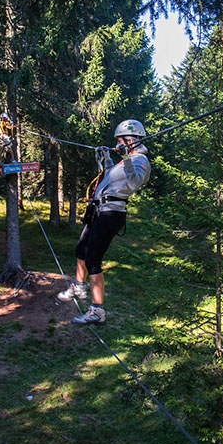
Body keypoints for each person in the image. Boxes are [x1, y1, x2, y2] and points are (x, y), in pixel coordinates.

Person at [57, 119, 151, 324]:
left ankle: (97, 311)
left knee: (93, 258)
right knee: (81, 249)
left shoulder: (141, 160)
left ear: (131, 140)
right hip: (99, 209)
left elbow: (134, 183)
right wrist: (108, 158)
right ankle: (79, 288)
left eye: (120, 141)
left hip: (111, 213)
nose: (117, 144)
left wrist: (125, 157)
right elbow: (111, 177)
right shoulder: (125, 160)